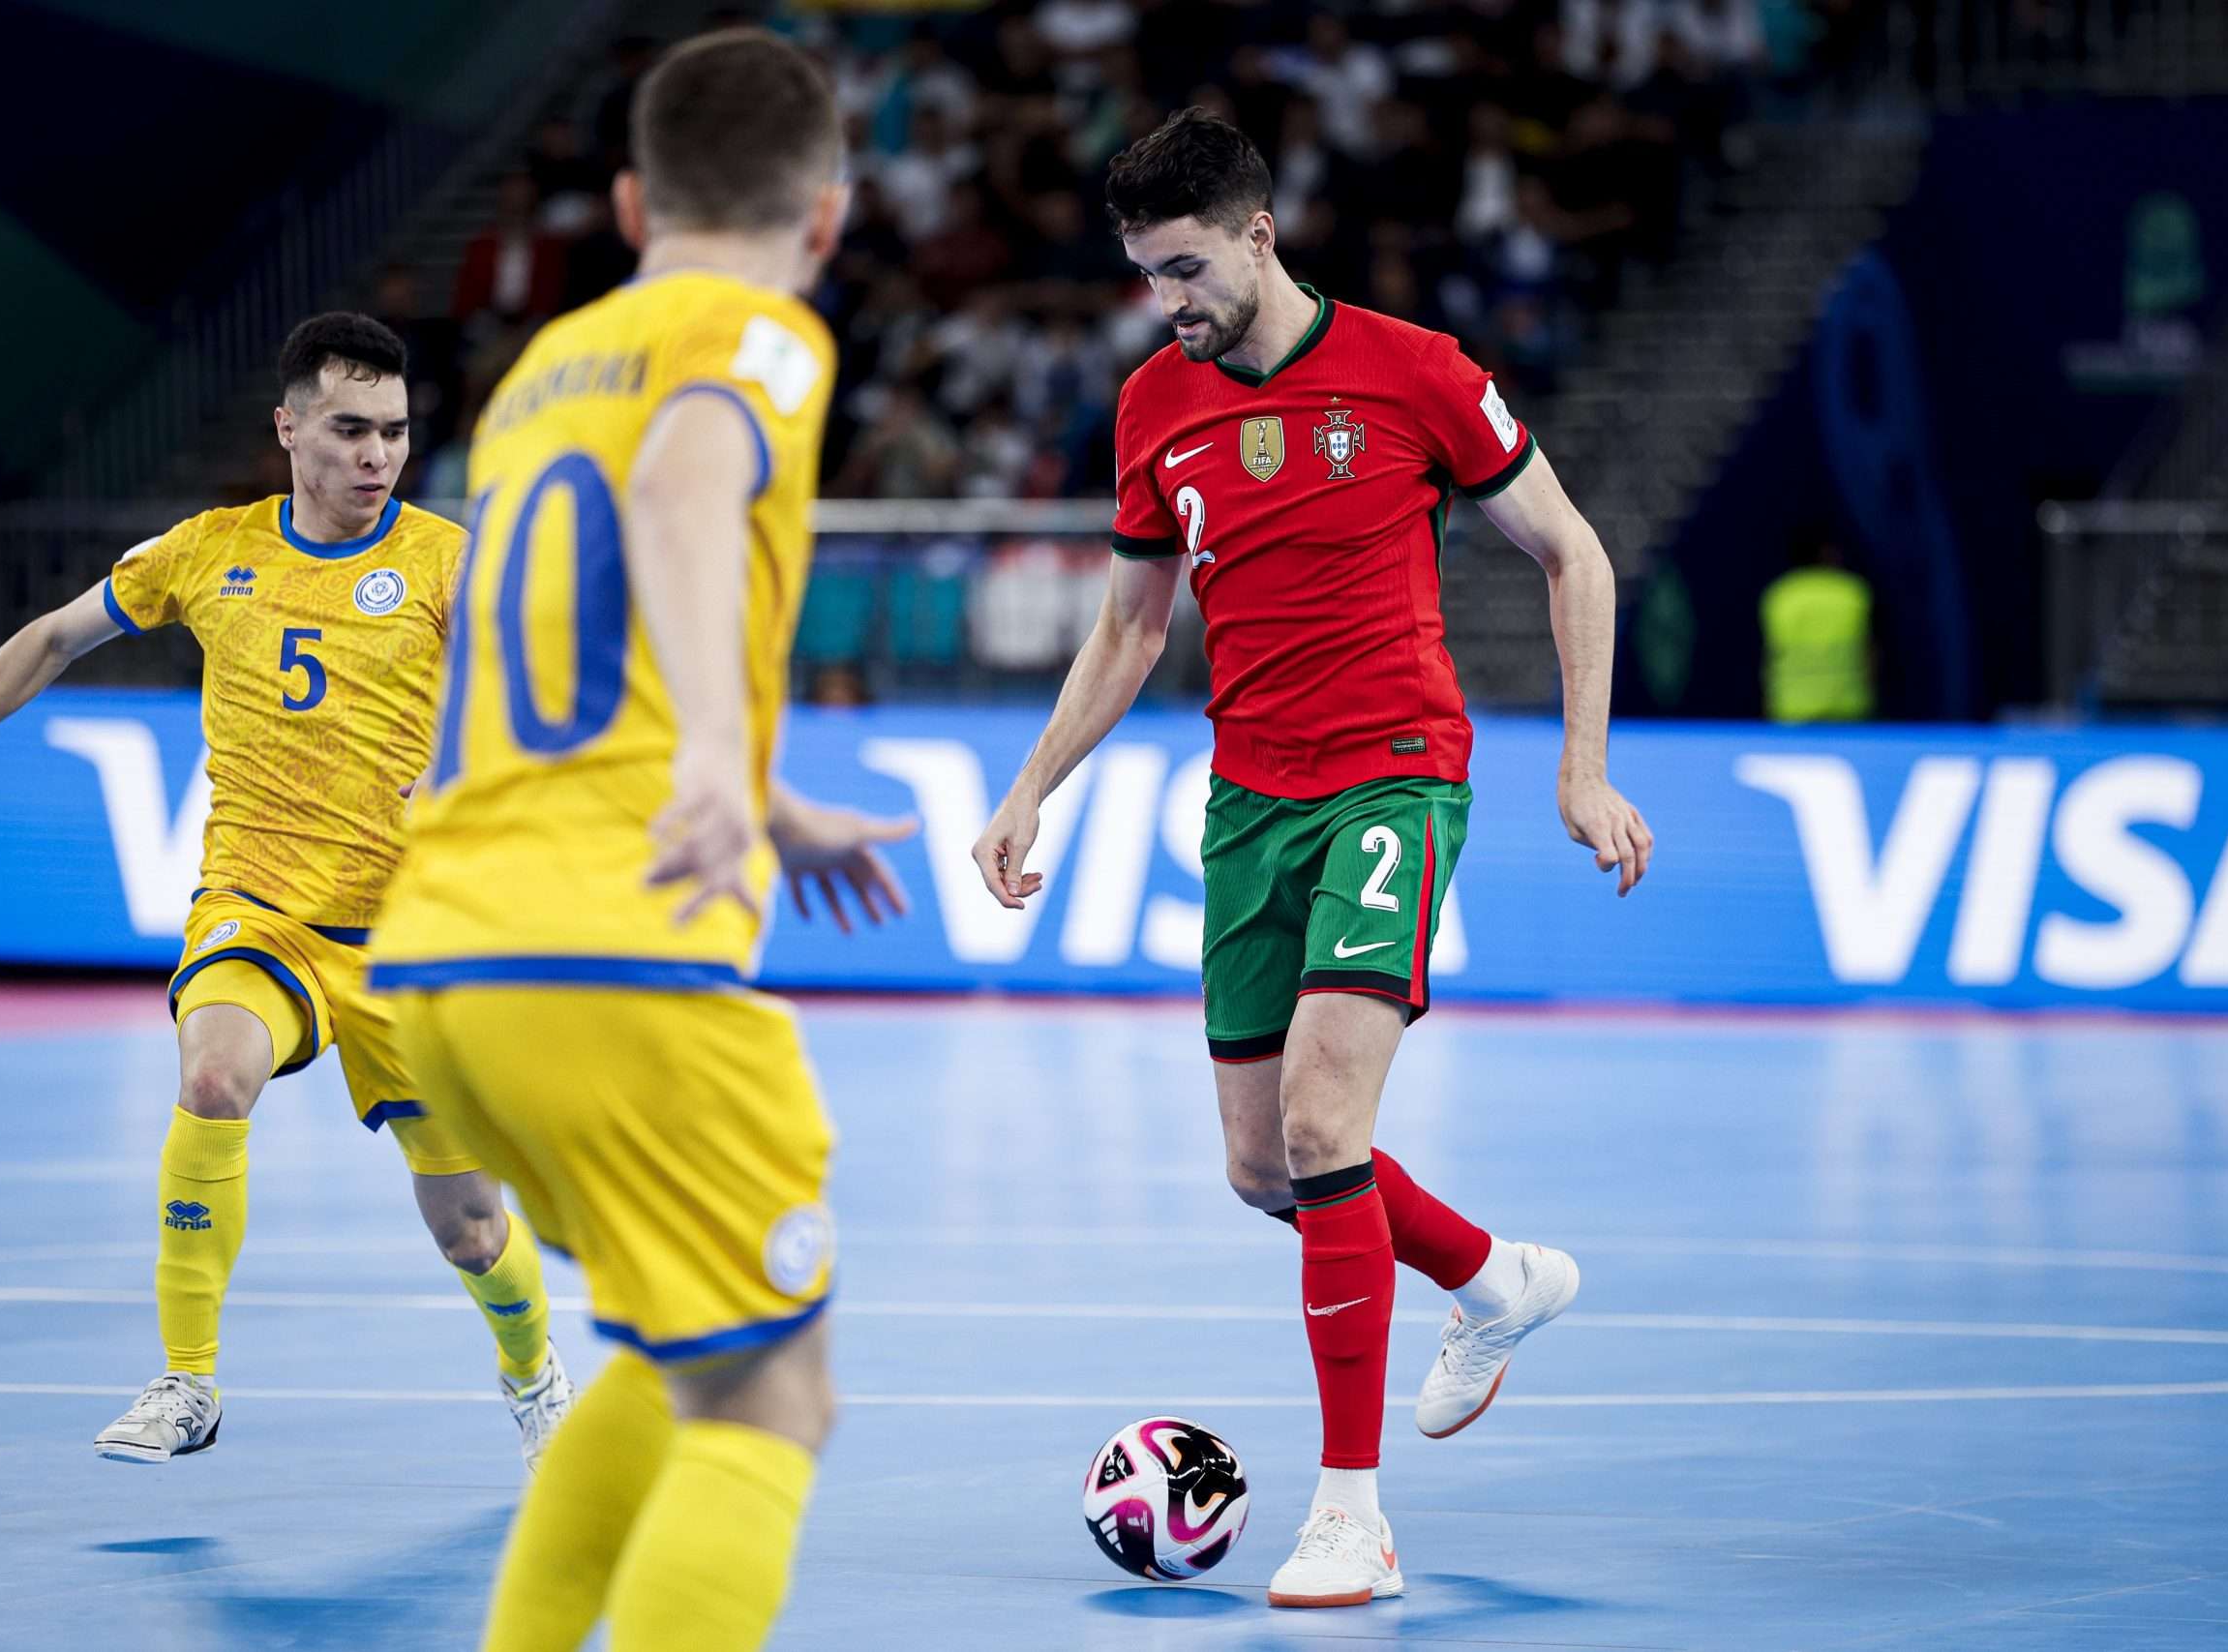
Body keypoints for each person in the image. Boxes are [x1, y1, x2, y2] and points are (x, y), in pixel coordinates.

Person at [970, 109, 1654, 1611]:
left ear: (1262, 236)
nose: (1172, 301)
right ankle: (1490, 1276)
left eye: (1190, 268)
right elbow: (1134, 626)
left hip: (1395, 778)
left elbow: (1573, 552)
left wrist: (1583, 765)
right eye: (1150, 275)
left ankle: (1354, 1509)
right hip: (1249, 801)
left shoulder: (1418, 371)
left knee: (1326, 1109)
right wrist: (1031, 787)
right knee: (1264, 1164)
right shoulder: (1156, 401)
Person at [367, 29, 910, 1651]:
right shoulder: (762, 333)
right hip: (615, 949)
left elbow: (562, 622)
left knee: (684, 1354)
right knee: (776, 1395)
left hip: (448, 960)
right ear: (828, 212)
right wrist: (725, 776)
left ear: (624, 200)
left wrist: (768, 790)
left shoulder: (547, 365)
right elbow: (683, 494)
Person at [0, 315, 574, 1471]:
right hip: (258, 910)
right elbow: (52, 639)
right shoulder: (211, 551)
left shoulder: (447, 559)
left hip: (413, 942)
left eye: (395, 432)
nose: (377, 456)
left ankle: (535, 1379)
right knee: (215, 1075)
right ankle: (187, 1381)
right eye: (349, 430)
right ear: (288, 429)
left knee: (470, 1229)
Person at [1761, 532, 1876, 722]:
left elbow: (1770, 655)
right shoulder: (1852, 592)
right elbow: (1870, 651)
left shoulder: (1780, 595)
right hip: (1848, 705)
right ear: (1827, 554)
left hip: (1791, 707)